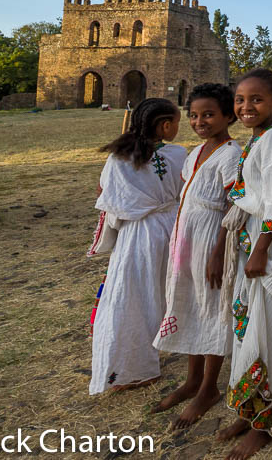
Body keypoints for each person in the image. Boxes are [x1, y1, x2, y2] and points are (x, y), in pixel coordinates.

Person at [211, 68, 272, 460]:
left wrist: (261, 250)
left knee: (266, 329)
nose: (246, 106)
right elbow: (254, 193)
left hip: (271, 244)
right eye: (240, 99)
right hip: (254, 238)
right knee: (246, 326)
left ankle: (269, 419)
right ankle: (248, 407)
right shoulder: (258, 140)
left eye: (256, 99)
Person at [153, 83, 242, 427]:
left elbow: (234, 204)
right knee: (190, 303)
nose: (200, 121)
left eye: (208, 114)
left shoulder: (231, 154)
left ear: (227, 116)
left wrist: (219, 251)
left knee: (211, 308)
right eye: (193, 115)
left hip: (211, 241)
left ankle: (208, 387)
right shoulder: (196, 152)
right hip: (187, 239)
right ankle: (191, 380)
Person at [89, 98, 187, 395]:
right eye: (178, 123)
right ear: (165, 125)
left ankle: (134, 367)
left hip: (137, 234)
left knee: (134, 297)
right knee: (169, 288)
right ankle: (152, 355)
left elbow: (108, 196)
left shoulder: (119, 157)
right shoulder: (179, 155)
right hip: (172, 227)